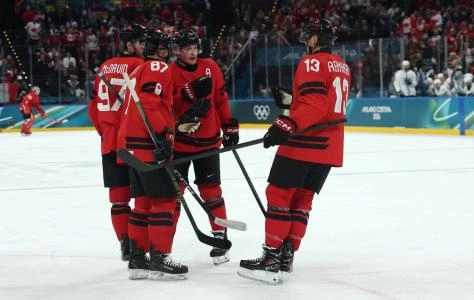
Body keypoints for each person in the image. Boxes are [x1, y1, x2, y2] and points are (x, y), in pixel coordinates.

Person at [238, 18, 351, 284]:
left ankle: (270, 258)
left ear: (314, 39)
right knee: (302, 200)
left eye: (308, 38)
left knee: (279, 194)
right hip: (330, 146)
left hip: (306, 141)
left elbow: (314, 106)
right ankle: (287, 254)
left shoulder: (311, 62)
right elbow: (324, 100)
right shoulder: (342, 65)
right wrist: (292, 99)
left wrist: (284, 122)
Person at [117, 27, 187, 280]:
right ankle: (160, 257)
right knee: (164, 202)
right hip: (148, 144)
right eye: (165, 46)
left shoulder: (137, 69)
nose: (168, 51)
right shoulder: (158, 68)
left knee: (143, 203)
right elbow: (149, 103)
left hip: (131, 146)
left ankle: (137, 259)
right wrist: (165, 135)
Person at [169, 28, 239, 265]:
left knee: (211, 192)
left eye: (194, 48)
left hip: (209, 142)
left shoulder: (211, 67)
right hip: (179, 144)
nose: (192, 52)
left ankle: (220, 236)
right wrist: (184, 98)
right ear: (178, 51)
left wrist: (229, 126)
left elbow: (220, 99)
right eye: (187, 49)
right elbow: (166, 108)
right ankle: (163, 246)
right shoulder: (170, 72)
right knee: (173, 194)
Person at [87, 23, 145, 262]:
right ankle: (140, 244)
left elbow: (92, 108)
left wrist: (105, 131)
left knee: (118, 199)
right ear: (130, 45)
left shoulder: (105, 66)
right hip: (134, 142)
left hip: (109, 142)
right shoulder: (140, 66)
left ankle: (125, 244)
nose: (144, 46)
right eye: (141, 42)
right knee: (144, 197)